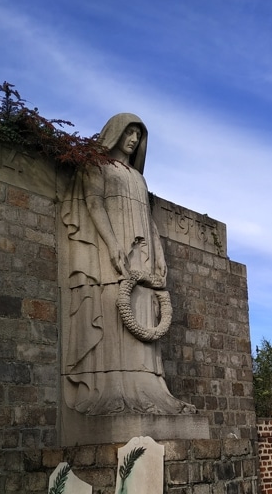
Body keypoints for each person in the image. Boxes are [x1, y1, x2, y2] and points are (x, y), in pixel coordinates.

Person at [61, 113, 194, 415]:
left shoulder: (138, 177)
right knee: (113, 316)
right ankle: (116, 389)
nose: (133, 140)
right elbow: (93, 203)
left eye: (138, 135)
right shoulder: (97, 165)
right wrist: (112, 244)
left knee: (144, 314)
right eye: (129, 132)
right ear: (115, 133)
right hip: (113, 253)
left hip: (143, 259)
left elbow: (148, 219)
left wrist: (159, 256)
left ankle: (151, 389)